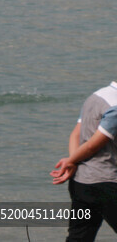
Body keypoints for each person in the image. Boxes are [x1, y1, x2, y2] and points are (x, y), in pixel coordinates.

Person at [51, 81, 117, 241]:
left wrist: (74, 162)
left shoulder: (96, 96)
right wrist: (71, 161)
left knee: (79, 237)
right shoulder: (115, 106)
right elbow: (93, 145)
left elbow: (75, 134)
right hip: (107, 182)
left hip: (81, 182)